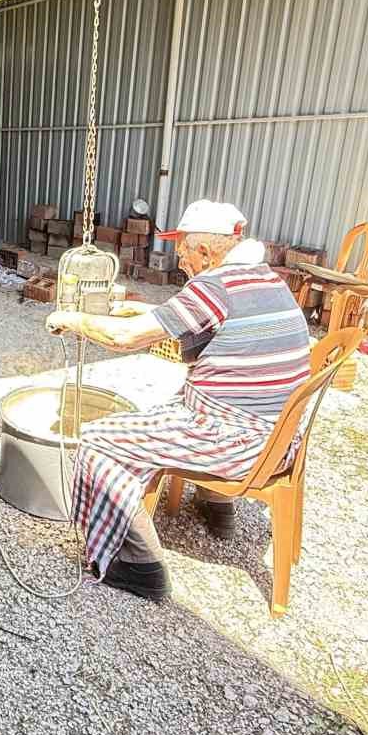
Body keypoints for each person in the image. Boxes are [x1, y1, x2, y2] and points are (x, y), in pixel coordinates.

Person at [45, 201, 312, 601]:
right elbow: (207, 317)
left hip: (237, 440)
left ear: (207, 251)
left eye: (184, 249)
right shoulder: (263, 278)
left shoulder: (214, 285)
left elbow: (125, 338)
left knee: (98, 440)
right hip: (277, 437)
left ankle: (140, 566)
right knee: (166, 404)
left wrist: (73, 320)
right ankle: (217, 506)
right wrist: (150, 311)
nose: (179, 258)